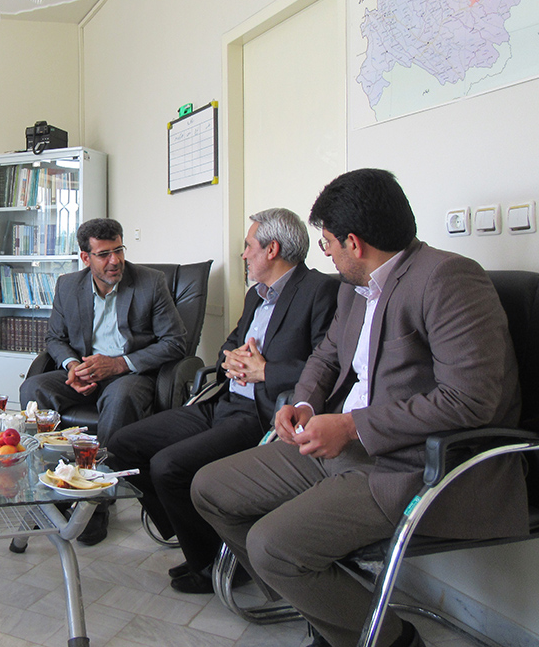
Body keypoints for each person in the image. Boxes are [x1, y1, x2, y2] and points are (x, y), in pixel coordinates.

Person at [191, 169, 527, 647]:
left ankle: (393, 639)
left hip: (410, 466)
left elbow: (469, 400)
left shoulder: (449, 279)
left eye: (327, 244)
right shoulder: (354, 285)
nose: (325, 254)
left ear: (354, 243)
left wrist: (350, 426)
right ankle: (326, 606)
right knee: (209, 488)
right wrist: (303, 403)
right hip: (339, 444)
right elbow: (327, 355)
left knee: (271, 546)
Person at [107, 208, 338, 590]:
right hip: (221, 401)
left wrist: (266, 371)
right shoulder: (255, 295)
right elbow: (228, 346)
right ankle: (196, 535)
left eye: (248, 246)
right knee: (122, 445)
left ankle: (209, 565)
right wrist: (230, 358)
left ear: (272, 250)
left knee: (167, 467)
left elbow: (328, 366)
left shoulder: (319, 291)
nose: (243, 254)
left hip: (259, 414)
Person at [20, 217, 186, 544]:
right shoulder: (68, 285)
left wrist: (118, 364)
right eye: (104, 254)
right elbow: (55, 338)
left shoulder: (151, 282)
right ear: (86, 257)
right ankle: (52, 485)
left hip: (129, 375)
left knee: (120, 398)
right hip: (84, 371)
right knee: (33, 388)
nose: (115, 261)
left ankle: (96, 500)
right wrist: (72, 366)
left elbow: (175, 342)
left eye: (119, 250)